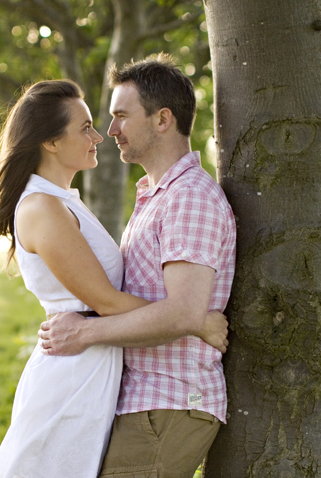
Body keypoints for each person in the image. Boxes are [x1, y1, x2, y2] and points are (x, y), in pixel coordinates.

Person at [0, 79, 227, 478]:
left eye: (112, 119)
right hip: (74, 372)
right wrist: (198, 320)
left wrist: (188, 315)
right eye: (85, 127)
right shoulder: (42, 206)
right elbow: (105, 301)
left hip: (100, 366)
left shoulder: (66, 201)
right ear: (51, 142)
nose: (100, 135)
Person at [38, 54, 237, 477]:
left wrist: (85, 332)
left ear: (162, 119)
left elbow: (184, 311)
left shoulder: (189, 198)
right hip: (145, 402)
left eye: (121, 116)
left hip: (171, 402)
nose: (110, 131)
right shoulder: (155, 194)